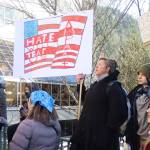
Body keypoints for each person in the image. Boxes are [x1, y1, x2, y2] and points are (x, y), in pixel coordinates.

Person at [70, 58, 128, 150]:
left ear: (108, 68)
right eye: (97, 64)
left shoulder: (114, 87)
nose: (96, 66)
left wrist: (105, 131)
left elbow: (120, 114)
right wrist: (80, 84)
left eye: (100, 64)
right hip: (85, 136)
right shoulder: (96, 85)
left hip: (101, 141)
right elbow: (86, 99)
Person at [126, 63, 150, 150]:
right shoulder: (135, 92)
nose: (139, 77)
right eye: (139, 74)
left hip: (148, 136)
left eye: (143, 75)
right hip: (136, 136)